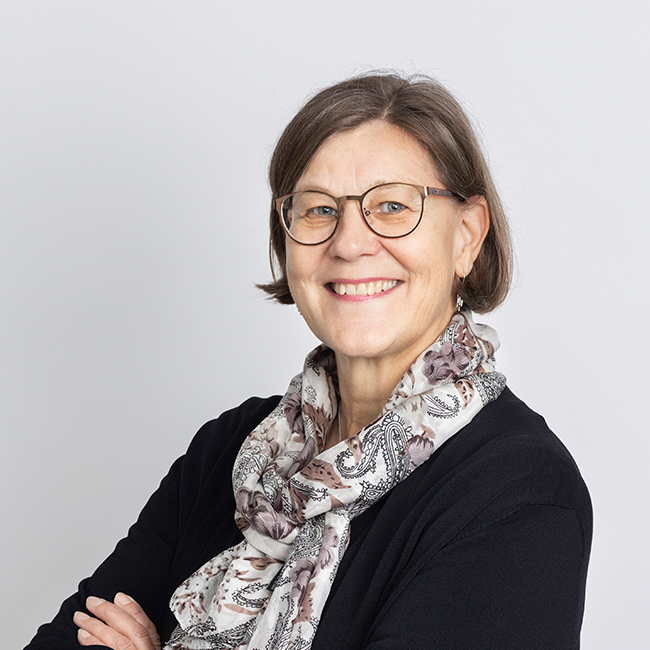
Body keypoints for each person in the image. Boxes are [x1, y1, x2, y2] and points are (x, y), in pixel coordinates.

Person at [25, 72, 592, 650]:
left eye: (392, 206)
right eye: (318, 210)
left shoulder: (518, 495)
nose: (348, 243)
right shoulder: (230, 451)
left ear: (467, 236)